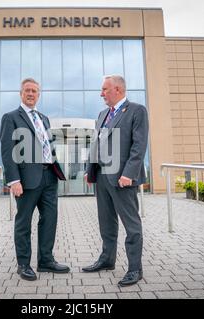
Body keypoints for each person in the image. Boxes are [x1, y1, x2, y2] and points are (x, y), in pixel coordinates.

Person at [0, 78, 69, 281]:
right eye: (27, 90)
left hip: (49, 176)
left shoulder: (44, 118)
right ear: (21, 93)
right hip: (26, 179)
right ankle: (23, 264)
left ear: (39, 94)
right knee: (24, 222)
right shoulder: (11, 117)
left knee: (49, 220)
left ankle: (46, 261)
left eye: (35, 91)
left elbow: (47, 144)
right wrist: (13, 180)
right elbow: (7, 151)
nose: (31, 94)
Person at [83, 75, 149, 287]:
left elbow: (138, 147)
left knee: (131, 224)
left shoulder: (137, 111)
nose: (101, 94)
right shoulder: (103, 114)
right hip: (102, 176)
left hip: (123, 178)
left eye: (104, 89)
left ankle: (135, 269)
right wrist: (89, 169)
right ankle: (107, 260)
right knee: (106, 222)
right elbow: (96, 143)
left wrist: (129, 173)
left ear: (118, 89)